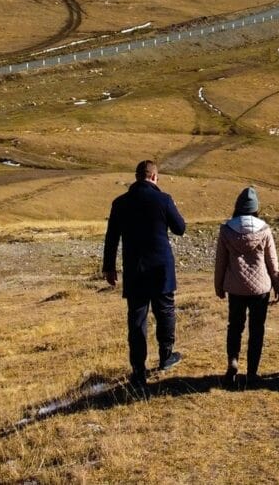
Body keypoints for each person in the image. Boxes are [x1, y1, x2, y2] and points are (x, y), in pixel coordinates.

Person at [103, 159, 188, 388]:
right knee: (165, 311)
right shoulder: (163, 199)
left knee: (137, 320)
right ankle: (166, 355)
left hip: (135, 269)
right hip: (161, 268)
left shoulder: (120, 203)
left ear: (138, 176)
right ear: (153, 177)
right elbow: (180, 228)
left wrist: (108, 267)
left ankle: (138, 371)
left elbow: (111, 238)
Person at [214, 185, 279, 389]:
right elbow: (272, 261)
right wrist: (278, 285)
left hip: (235, 288)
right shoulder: (264, 229)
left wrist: (218, 285)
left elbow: (221, 261)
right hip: (260, 289)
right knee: (257, 329)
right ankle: (253, 372)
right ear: (256, 208)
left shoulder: (226, 229)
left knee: (234, 327)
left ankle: (233, 362)